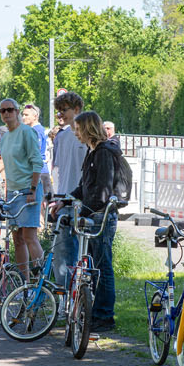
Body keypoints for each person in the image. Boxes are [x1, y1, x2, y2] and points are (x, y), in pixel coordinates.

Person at [71, 110, 124, 332]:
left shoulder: (103, 153)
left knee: (103, 266)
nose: (75, 133)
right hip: (93, 214)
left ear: (87, 129)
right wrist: (66, 200)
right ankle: (95, 312)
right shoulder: (92, 151)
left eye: (77, 129)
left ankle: (105, 316)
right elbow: (85, 186)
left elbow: (102, 191)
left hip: (101, 215)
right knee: (94, 265)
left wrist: (84, 210)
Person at [0, 98, 44, 278]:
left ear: (17, 112)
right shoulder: (5, 137)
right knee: (17, 239)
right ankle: (24, 282)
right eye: (3, 111)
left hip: (28, 190)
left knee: (29, 236)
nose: (6, 113)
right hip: (13, 192)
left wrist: (33, 189)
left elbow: (37, 162)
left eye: (10, 109)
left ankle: (40, 281)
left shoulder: (26, 132)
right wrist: (6, 193)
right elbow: (8, 167)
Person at [49, 91, 86, 293]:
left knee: (84, 250)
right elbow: (58, 169)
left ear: (77, 109)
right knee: (62, 251)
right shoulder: (61, 137)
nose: (60, 114)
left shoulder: (87, 136)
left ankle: (83, 293)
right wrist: (55, 197)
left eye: (64, 110)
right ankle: (64, 295)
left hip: (82, 199)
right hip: (63, 199)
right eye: (58, 111)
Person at [22, 103, 52, 195]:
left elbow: (35, 151)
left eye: (26, 115)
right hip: (42, 171)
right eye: (23, 115)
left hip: (38, 173)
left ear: (35, 116)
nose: (23, 117)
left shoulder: (35, 130)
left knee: (39, 201)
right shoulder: (40, 129)